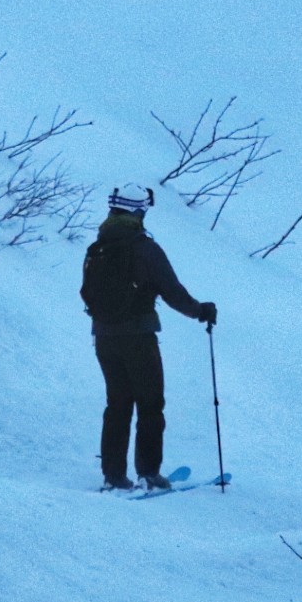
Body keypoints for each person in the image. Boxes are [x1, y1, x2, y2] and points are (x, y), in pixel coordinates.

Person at [81, 186, 218, 491]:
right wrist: (201, 311)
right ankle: (149, 473)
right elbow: (172, 291)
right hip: (139, 337)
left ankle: (114, 476)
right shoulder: (144, 249)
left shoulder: (98, 248)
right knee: (150, 403)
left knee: (117, 404)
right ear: (137, 212)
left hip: (104, 338)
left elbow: (86, 293)